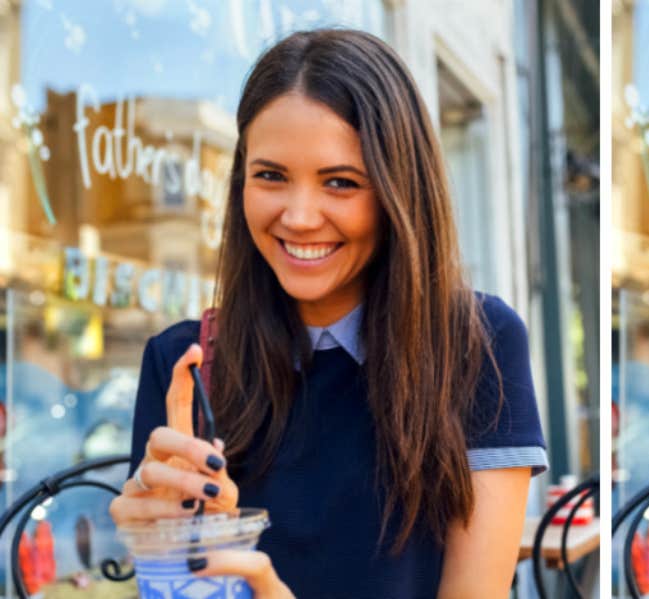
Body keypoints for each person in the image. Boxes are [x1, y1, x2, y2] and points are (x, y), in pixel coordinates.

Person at [108, 29, 547, 598]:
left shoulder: (476, 344)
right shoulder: (183, 366)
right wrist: (160, 540)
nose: (299, 216)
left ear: (399, 190)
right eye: (270, 176)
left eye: (341, 183)